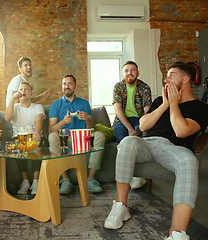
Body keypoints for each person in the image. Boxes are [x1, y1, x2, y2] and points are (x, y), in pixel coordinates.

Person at [104, 62, 208, 240]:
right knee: (128, 141)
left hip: (174, 149)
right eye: (167, 75)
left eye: (172, 75)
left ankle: (177, 233)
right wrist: (166, 104)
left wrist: (175, 104)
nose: (166, 79)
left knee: (189, 161)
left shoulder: (201, 108)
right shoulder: (160, 101)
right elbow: (143, 125)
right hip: (148, 144)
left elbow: (181, 131)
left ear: (186, 79)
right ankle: (121, 207)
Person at [48, 74, 106, 194]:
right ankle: (65, 180)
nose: (67, 86)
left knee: (100, 135)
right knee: (52, 137)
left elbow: (91, 128)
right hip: (65, 138)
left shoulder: (84, 103)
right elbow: (51, 130)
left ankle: (91, 178)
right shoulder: (56, 105)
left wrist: (86, 119)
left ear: (75, 86)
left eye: (70, 83)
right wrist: (63, 121)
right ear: (62, 86)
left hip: (82, 138)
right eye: (64, 84)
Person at [112, 60, 152, 190]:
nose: (130, 73)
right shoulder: (118, 87)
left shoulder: (145, 87)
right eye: (126, 71)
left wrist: (144, 125)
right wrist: (129, 128)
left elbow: (147, 110)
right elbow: (118, 109)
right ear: (122, 74)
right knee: (122, 137)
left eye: (133, 70)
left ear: (138, 73)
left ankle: (137, 176)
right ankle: (129, 176)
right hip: (122, 120)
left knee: (139, 137)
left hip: (140, 119)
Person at [5, 82, 45, 195]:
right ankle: (25, 181)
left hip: (33, 137)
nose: (23, 91)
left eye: (26, 89)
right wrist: (13, 98)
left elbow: (39, 120)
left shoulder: (38, 107)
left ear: (31, 93)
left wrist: (36, 133)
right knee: (19, 147)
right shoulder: (15, 107)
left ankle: (36, 181)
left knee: (36, 147)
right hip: (18, 138)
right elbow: (7, 118)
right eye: (21, 89)